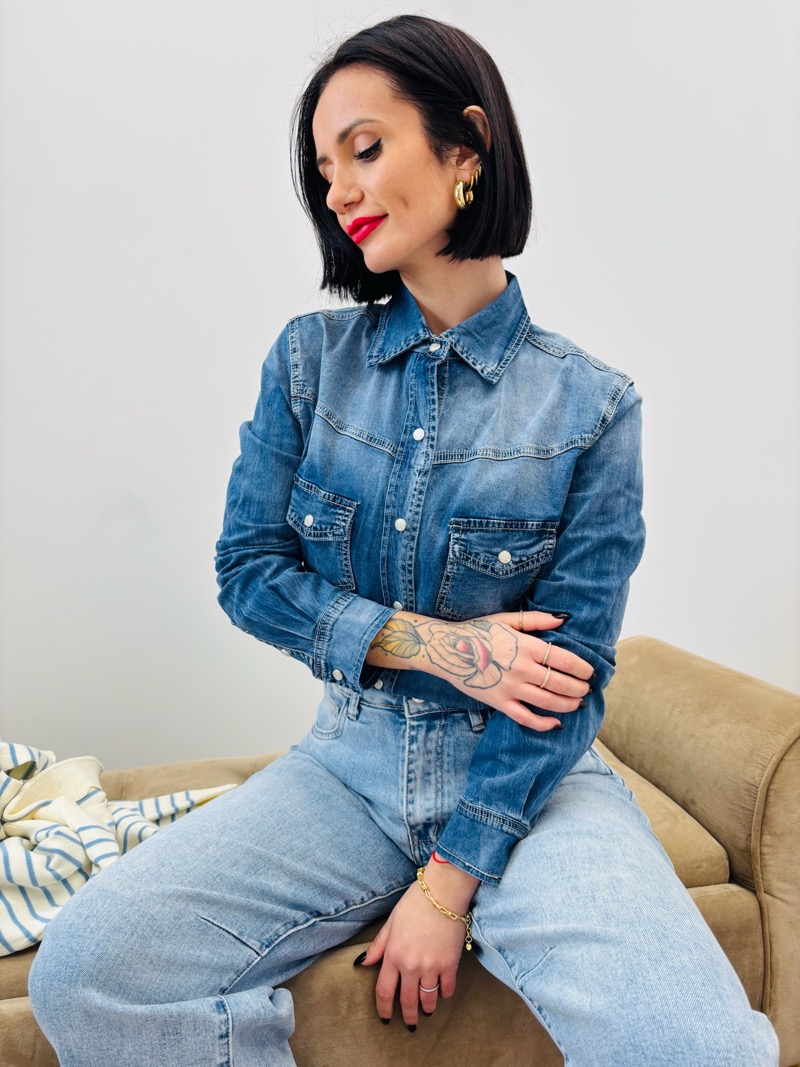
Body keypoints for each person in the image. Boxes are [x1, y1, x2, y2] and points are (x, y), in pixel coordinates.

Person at [28, 14, 779, 1066]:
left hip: (526, 784)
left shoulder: (593, 405)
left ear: (466, 148)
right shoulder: (308, 362)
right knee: (88, 968)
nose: (338, 189)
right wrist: (434, 645)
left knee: (699, 1046)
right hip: (347, 765)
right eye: (324, 168)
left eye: (365, 148)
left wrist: (448, 883)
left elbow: (566, 676)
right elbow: (248, 573)